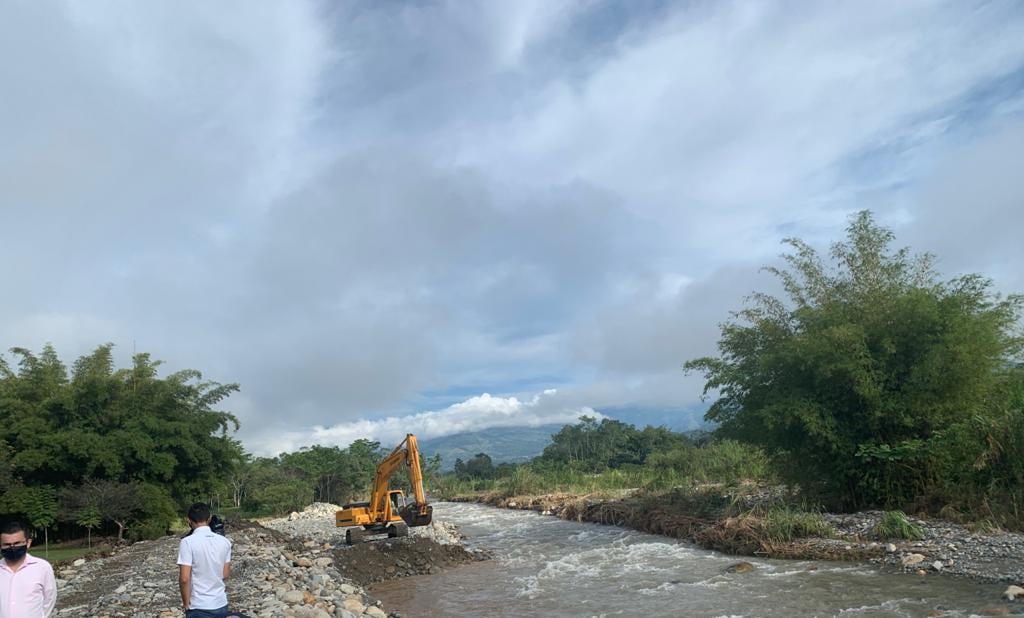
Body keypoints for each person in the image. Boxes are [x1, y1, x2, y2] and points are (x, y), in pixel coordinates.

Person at [177, 503, 232, 618]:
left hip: (198, 605)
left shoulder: (187, 542)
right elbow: (225, 574)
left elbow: (184, 579)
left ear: (189, 520)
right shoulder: (224, 541)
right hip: (220, 602)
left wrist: (186, 604)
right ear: (209, 518)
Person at [0, 521, 56, 618]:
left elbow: (49, 599)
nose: (12, 548)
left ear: (28, 543)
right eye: (7, 545)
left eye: (17, 543)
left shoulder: (42, 567)